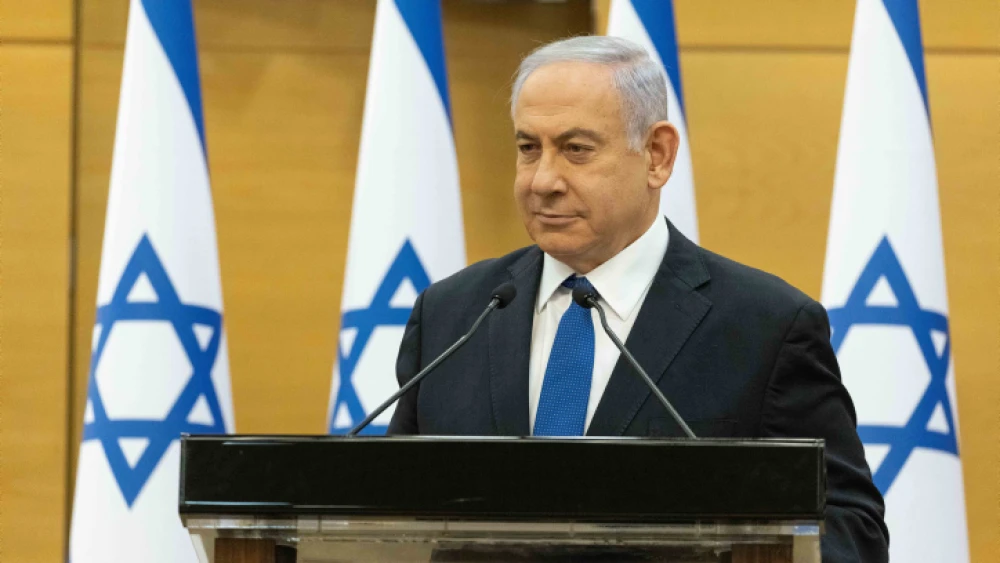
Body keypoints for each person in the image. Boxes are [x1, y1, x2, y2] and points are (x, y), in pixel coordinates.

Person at [388, 36, 888, 562]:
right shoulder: (452, 315)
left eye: (576, 149)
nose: (543, 180)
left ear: (657, 155)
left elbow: (850, 529)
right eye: (528, 148)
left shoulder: (765, 328)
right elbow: (387, 511)